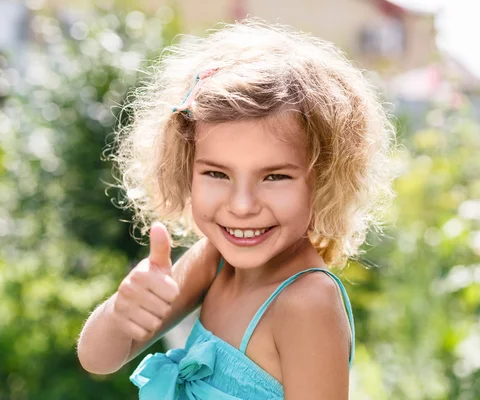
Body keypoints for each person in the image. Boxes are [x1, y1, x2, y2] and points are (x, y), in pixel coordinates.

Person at [77, 18, 395, 399]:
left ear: (323, 179)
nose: (242, 206)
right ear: (185, 167)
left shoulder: (307, 303)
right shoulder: (213, 261)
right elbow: (99, 359)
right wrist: (121, 312)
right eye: (217, 173)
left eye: (275, 177)